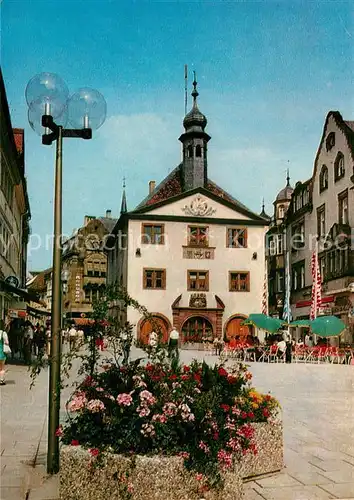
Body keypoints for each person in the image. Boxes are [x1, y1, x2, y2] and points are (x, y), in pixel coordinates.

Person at [0, 320, 10, 385]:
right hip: (1, 352)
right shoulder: (3, 333)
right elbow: (7, 342)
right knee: (2, 367)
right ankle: (1, 380)